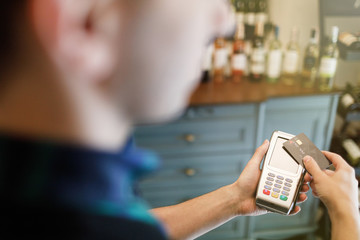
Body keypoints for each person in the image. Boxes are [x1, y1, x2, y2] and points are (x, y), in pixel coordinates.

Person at [0, 0, 355, 240]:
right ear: (84, 24)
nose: (225, 21)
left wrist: (234, 198)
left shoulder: (62, 193)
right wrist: (346, 215)